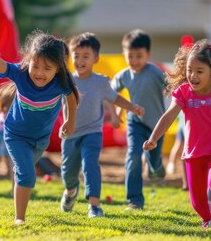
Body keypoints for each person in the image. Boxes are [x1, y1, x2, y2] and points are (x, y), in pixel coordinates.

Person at [0, 31, 80, 225]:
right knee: (27, 174)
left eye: (47, 68)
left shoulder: (60, 83)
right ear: (28, 61)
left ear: (57, 69)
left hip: (41, 139)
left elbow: (71, 98)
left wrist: (70, 121)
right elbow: (1, 64)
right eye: (35, 66)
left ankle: (20, 175)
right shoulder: (21, 74)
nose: (39, 72)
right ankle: (19, 218)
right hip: (15, 135)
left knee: (23, 171)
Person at [143, 40, 211, 229]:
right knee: (197, 201)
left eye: (199, 71)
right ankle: (207, 220)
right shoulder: (183, 93)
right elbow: (168, 116)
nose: (193, 76)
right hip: (194, 151)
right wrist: (153, 138)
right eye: (190, 70)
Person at [60, 32, 145, 218]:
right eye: (76, 56)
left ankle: (94, 206)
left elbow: (115, 98)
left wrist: (132, 107)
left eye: (85, 56)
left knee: (91, 164)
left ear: (96, 58)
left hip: (92, 132)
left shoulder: (100, 82)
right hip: (70, 134)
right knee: (68, 173)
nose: (80, 61)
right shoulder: (66, 81)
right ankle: (71, 192)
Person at [111, 29, 167, 210]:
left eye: (139, 56)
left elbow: (172, 87)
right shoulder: (124, 75)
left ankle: (155, 168)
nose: (134, 61)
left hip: (157, 125)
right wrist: (117, 112)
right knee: (133, 156)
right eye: (130, 56)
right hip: (135, 122)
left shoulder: (155, 72)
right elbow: (112, 94)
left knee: (155, 163)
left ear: (148, 55)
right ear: (124, 54)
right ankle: (134, 200)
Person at [167, 112, 187, 190]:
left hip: (182, 125)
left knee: (178, 146)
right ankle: (171, 164)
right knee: (180, 147)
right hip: (184, 126)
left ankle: (171, 164)